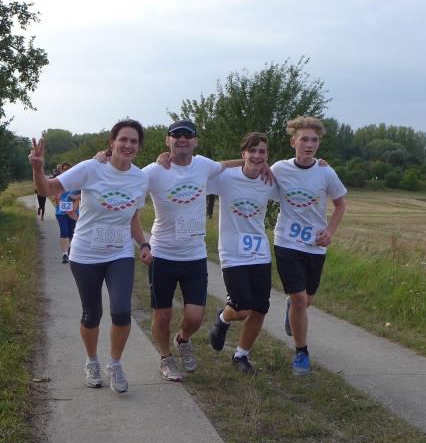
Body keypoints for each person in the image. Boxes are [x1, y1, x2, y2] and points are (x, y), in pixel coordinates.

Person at [29, 119, 152, 393]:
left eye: (134, 141)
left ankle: (115, 364)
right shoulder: (91, 168)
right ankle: (92, 361)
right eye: (123, 139)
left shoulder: (140, 178)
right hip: (85, 253)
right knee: (92, 313)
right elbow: (47, 189)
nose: (128, 145)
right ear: (112, 142)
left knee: (122, 311)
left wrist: (143, 244)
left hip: (120, 252)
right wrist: (37, 168)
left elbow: (133, 217)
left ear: (139, 146)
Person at [142, 120, 253, 382]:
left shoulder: (203, 164)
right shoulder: (154, 171)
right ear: (168, 140)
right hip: (162, 254)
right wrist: (103, 158)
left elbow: (227, 165)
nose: (182, 139)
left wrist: (257, 164)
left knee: (195, 316)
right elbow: (124, 176)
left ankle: (183, 339)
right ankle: (166, 358)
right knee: (162, 314)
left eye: (188, 135)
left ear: (195, 141)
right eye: (176, 135)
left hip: (194, 256)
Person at [272, 116, 347, 376]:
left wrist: (329, 231)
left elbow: (340, 204)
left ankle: (293, 309)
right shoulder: (279, 169)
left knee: (307, 300)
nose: (309, 144)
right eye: (304, 139)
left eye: (314, 140)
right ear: (293, 142)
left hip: (315, 244)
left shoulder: (326, 172)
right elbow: (252, 169)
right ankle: (301, 353)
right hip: (286, 241)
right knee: (300, 298)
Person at [206, 132, 279, 374]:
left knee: (260, 309)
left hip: (260, 252)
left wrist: (320, 165)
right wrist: (165, 157)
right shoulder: (226, 178)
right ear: (243, 153)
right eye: (252, 151)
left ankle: (241, 356)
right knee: (242, 309)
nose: (257, 156)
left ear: (267, 155)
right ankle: (223, 318)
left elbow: (301, 182)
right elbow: (196, 172)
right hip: (232, 253)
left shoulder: (270, 180)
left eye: (262, 152)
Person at [52, 162, 80, 263]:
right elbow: (55, 198)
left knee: (72, 233)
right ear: (61, 170)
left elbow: (83, 194)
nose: (66, 170)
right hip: (61, 212)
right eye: (64, 169)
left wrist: (76, 197)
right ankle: (64, 254)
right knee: (64, 231)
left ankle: (71, 251)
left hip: (74, 212)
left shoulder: (76, 183)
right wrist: (57, 198)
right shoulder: (57, 182)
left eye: (68, 169)